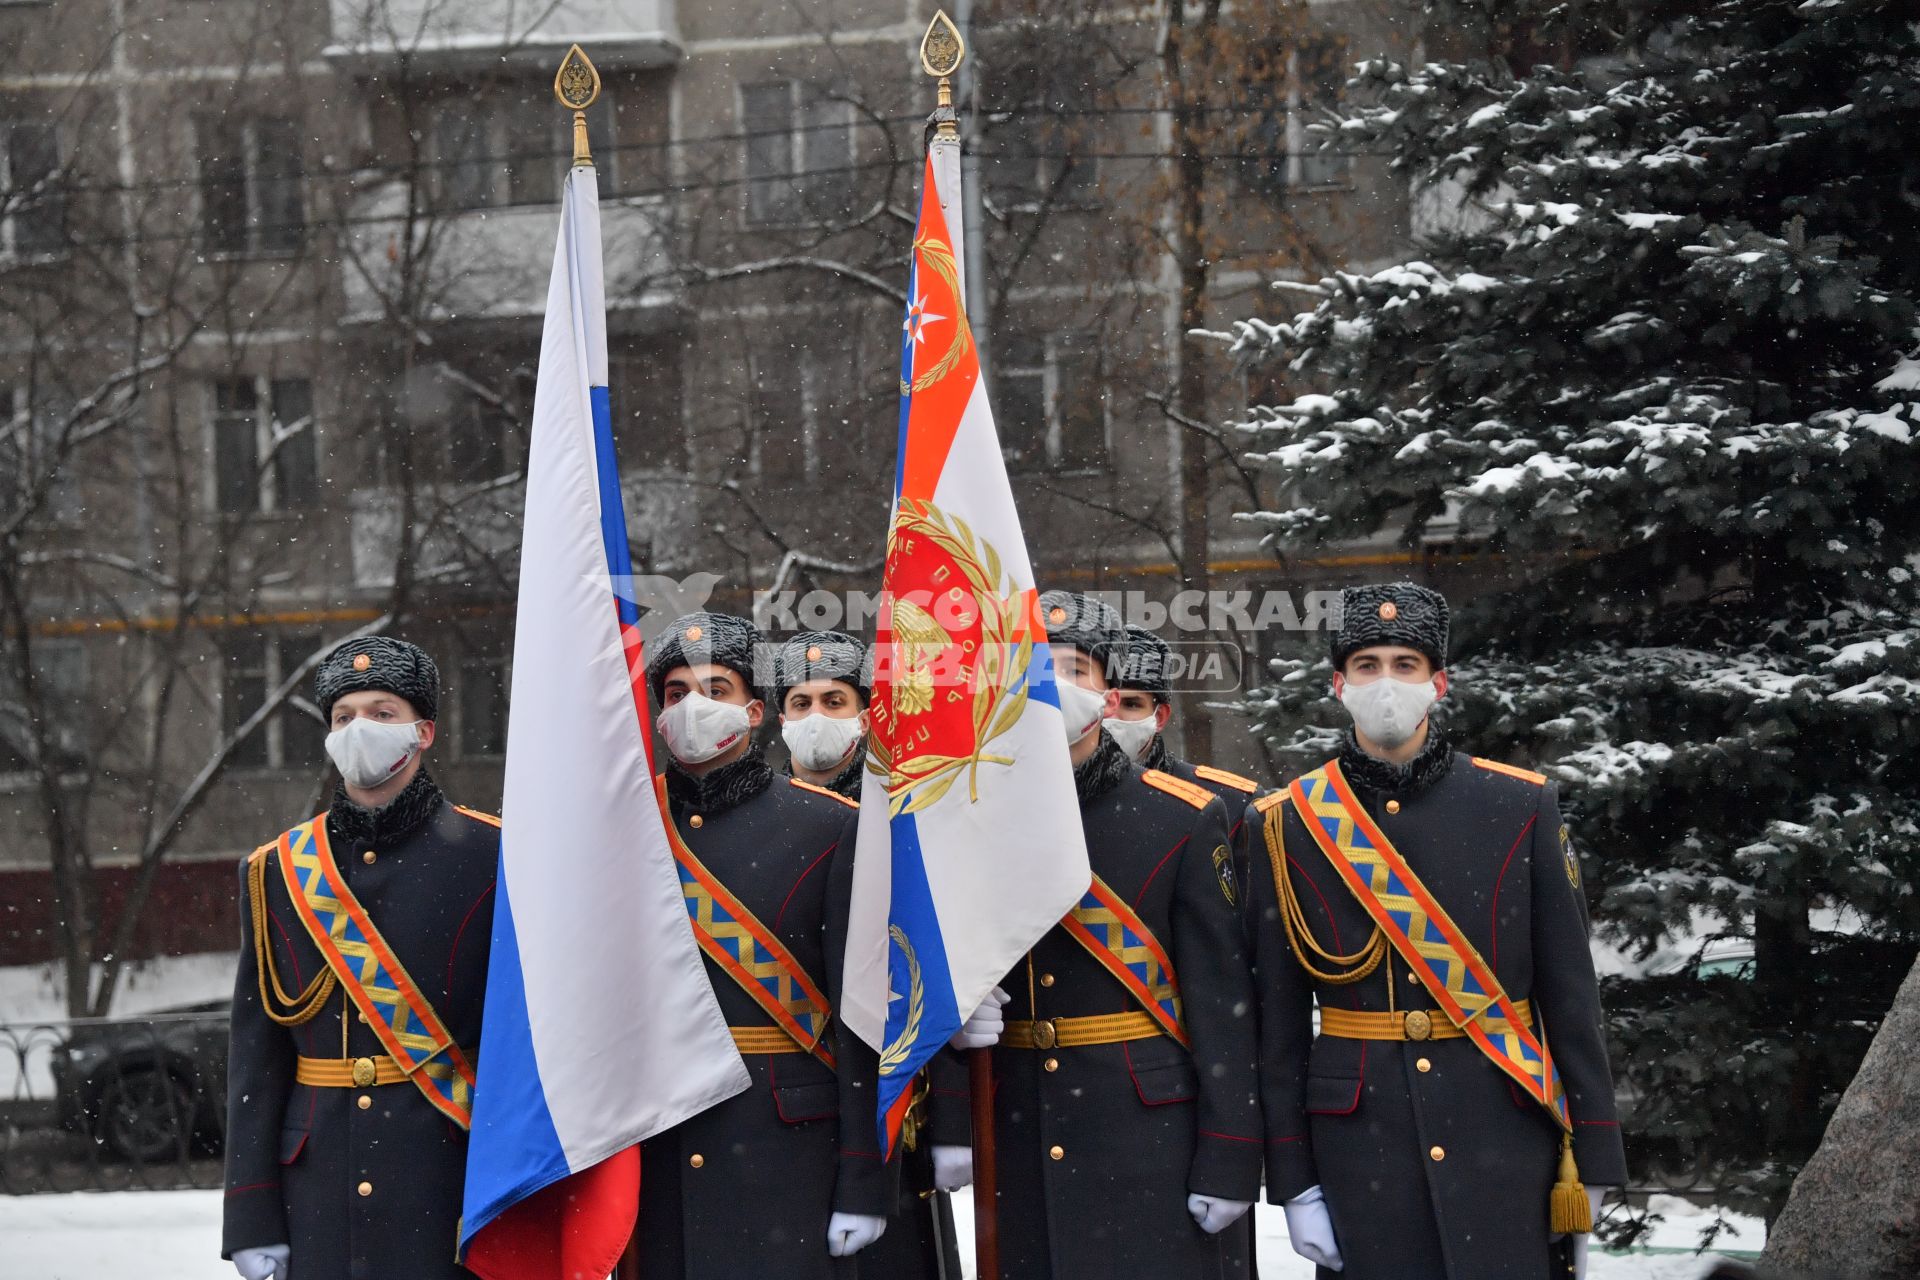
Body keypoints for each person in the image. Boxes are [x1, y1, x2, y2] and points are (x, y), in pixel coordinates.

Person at [1247, 582, 1628, 1279]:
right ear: (1338, 683)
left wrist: (1595, 1152)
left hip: (1505, 1133)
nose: (1386, 682)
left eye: (1405, 664)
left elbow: (1571, 997)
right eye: (1366, 665)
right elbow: (1278, 1032)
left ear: (1439, 682)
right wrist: (1295, 1179)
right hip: (1360, 1148)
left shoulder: (1518, 805)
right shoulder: (1285, 823)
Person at [944, 590, 1264, 1278]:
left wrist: (1231, 1149)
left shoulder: (1180, 817)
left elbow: (1222, 1001)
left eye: (1075, 669)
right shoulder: (971, 816)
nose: (1057, 685)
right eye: (1039, 668)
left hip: (1149, 1128)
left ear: (1107, 690)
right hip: (1021, 1125)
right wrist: (951, 1016)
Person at [636, 612, 914, 1279]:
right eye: (675, 695)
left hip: (791, 1148)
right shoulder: (628, 824)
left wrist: (864, 1176)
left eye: (714, 689)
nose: (691, 709)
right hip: (661, 1146)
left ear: (755, 710)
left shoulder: (830, 828)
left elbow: (864, 1020)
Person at [222, 636, 501, 1280]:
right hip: (314, 1194)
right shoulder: (276, 872)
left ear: (423, 731)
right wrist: (250, 1213)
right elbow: (256, 1058)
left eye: (381, 713)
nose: (359, 730)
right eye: (344, 717)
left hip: (447, 1180)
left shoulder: (493, 858)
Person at [771, 627, 963, 1278]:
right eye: (800, 704)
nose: (815, 719)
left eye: (833, 701)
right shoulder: (764, 824)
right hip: (788, 1104)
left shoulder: (910, 818)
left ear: (868, 715)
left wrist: (954, 1119)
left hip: (895, 1097)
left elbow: (940, 970)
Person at [1109, 622, 1268, 903]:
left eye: (1132, 704)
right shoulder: (1052, 799)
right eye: (1106, 702)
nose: (1114, 718)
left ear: (1160, 716)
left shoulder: (1232, 804)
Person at [774, 629, 872, 799]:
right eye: (802, 704)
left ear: (864, 721)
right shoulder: (757, 808)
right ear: (784, 722)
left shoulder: (893, 808)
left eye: (834, 702)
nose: (816, 715)